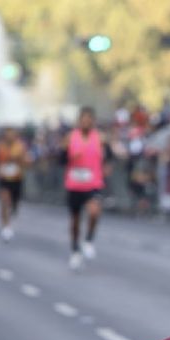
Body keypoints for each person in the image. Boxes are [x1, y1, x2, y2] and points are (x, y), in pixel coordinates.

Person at [62, 107, 107, 270]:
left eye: (89, 119)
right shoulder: (70, 137)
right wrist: (69, 155)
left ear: (93, 121)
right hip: (74, 183)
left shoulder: (100, 138)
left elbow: (108, 155)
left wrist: (108, 165)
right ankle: (75, 248)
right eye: (83, 119)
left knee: (95, 211)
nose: (86, 122)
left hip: (93, 182)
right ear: (79, 120)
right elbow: (60, 158)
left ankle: (88, 239)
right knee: (75, 220)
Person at [0, 127, 29, 242]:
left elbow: (26, 161)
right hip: (4, 178)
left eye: (12, 134)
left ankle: (13, 209)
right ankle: (6, 227)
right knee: (4, 201)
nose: (10, 136)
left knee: (14, 204)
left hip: (16, 178)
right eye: (8, 134)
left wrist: (19, 160)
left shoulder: (20, 146)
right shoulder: (0, 146)